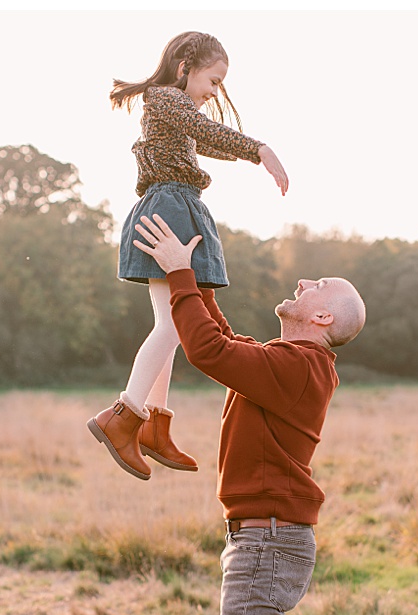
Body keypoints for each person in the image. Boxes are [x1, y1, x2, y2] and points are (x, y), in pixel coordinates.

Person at [133, 212, 365, 615]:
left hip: (267, 542)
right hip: (264, 538)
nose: (303, 278)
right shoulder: (287, 362)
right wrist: (195, 276)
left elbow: (209, 353)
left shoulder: (303, 368)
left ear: (322, 320)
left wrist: (181, 272)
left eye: (318, 283)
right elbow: (223, 341)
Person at [87, 31, 288, 480]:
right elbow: (206, 130)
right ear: (184, 67)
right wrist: (260, 149)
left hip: (179, 205)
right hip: (170, 209)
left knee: (176, 321)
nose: (214, 93)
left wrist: (250, 156)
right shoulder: (164, 99)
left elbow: (210, 141)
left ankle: (154, 424)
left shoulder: (174, 110)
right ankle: (123, 416)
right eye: (213, 81)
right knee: (171, 323)